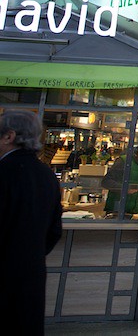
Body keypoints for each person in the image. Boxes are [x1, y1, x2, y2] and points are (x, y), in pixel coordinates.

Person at [0, 110, 63, 335]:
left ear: (9, 136)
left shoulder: (4, 171)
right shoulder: (47, 175)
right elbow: (55, 229)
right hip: (32, 271)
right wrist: (32, 252)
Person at [101, 139, 138, 216]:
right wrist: (124, 188)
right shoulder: (124, 161)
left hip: (137, 213)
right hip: (117, 211)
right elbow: (106, 182)